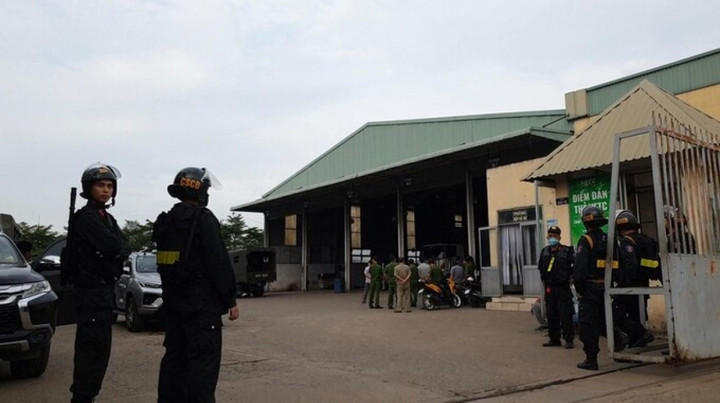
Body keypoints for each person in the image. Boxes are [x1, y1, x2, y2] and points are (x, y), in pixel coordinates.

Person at [153, 167, 239, 403]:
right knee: (202, 368)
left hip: (173, 306)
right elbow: (218, 262)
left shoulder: (166, 221)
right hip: (201, 310)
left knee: (174, 363)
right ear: (200, 191)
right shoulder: (203, 219)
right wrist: (230, 299)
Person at [69, 163, 130, 403]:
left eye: (110, 186)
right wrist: (116, 250)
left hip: (104, 291)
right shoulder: (86, 218)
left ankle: (88, 395)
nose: (106, 190)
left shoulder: (107, 218)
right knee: (91, 351)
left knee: (100, 350)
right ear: (89, 188)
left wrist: (117, 250)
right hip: (91, 292)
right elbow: (114, 246)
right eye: (100, 185)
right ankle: (82, 398)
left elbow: (124, 246)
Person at [614, 210, 657, 348]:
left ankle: (641, 333)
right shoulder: (647, 239)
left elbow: (631, 265)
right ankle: (637, 342)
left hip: (630, 286)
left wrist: (622, 281)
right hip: (644, 282)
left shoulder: (627, 242)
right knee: (637, 315)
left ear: (620, 229)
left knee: (616, 312)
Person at [574, 205, 609, 371]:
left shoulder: (586, 240)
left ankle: (591, 359)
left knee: (588, 325)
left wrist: (579, 288)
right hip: (605, 287)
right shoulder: (607, 239)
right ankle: (621, 341)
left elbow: (580, 268)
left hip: (589, 288)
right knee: (604, 320)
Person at [537, 226, 575, 349]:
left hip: (563, 287)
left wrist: (572, 277)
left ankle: (569, 340)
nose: (552, 238)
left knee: (565, 314)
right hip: (549, 287)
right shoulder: (545, 251)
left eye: (554, 236)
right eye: (550, 236)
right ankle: (554, 339)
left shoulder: (567, 251)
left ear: (559, 237)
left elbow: (576, 265)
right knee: (551, 314)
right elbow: (541, 267)